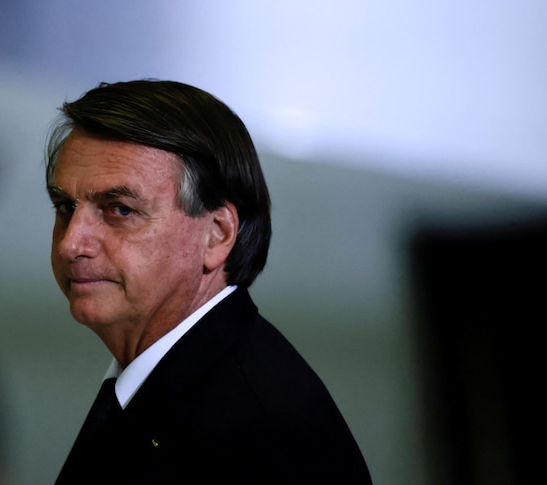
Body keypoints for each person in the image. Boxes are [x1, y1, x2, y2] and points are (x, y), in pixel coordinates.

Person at [45, 79, 371, 484]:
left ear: (216, 234)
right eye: (64, 206)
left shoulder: (258, 436)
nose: (71, 244)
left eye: (119, 210)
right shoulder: (181, 385)